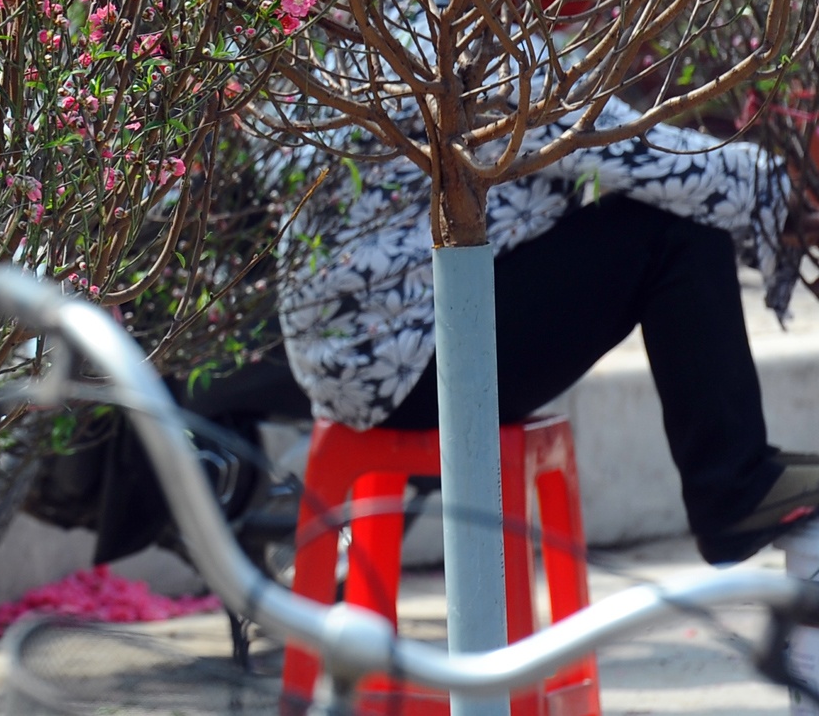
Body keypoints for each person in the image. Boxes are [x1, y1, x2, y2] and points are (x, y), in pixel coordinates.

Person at [273, 69, 819, 566]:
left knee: (657, 214)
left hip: (359, 363)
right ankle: (734, 491)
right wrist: (789, 192)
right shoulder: (464, 43)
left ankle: (738, 483)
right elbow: (611, 144)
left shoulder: (378, 28)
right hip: (412, 365)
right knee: (679, 231)